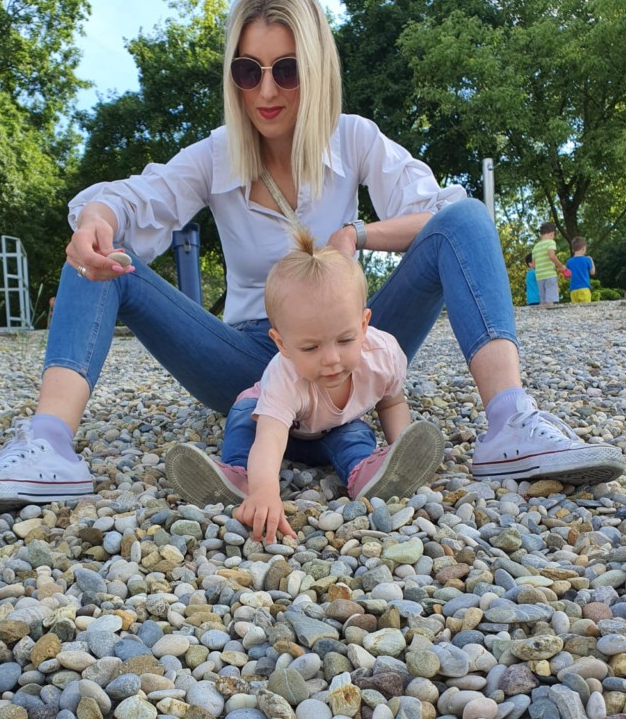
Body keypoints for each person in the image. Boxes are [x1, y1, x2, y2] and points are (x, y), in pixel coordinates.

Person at [0, 0, 626, 518]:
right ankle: (48, 444)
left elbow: (442, 216)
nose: (266, 91)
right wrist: (97, 217)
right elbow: (134, 199)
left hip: (348, 344)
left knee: (469, 218)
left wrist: (358, 235)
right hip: (247, 358)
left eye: (286, 70)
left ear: (315, 69)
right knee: (102, 250)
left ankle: (511, 422)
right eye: (248, 70)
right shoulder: (215, 155)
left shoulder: (353, 138)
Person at [165, 229, 445, 542]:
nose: (331, 359)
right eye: (311, 348)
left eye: (345, 340)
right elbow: (270, 437)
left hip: (333, 429)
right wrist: (265, 490)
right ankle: (241, 479)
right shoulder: (284, 375)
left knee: (355, 434)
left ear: (364, 324)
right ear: (282, 344)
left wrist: (400, 446)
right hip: (274, 427)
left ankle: (369, 473)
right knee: (244, 418)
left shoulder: (383, 355)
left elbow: (391, 402)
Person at [531, 221, 564, 308]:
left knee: (543, 301)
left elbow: (533, 265)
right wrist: (560, 266)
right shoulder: (550, 242)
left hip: (539, 276)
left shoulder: (535, 247)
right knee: (550, 301)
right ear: (552, 233)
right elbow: (551, 256)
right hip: (549, 275)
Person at [566, 236, 595, 303]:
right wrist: (591, 260)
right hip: (584, 289)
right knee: (586, 308)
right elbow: (592, 272)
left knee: (575, 308)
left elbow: (568, 275)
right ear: (583, 248)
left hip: (573, 290)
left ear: (573, 249)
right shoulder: (586, 259)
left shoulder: (569, 262)